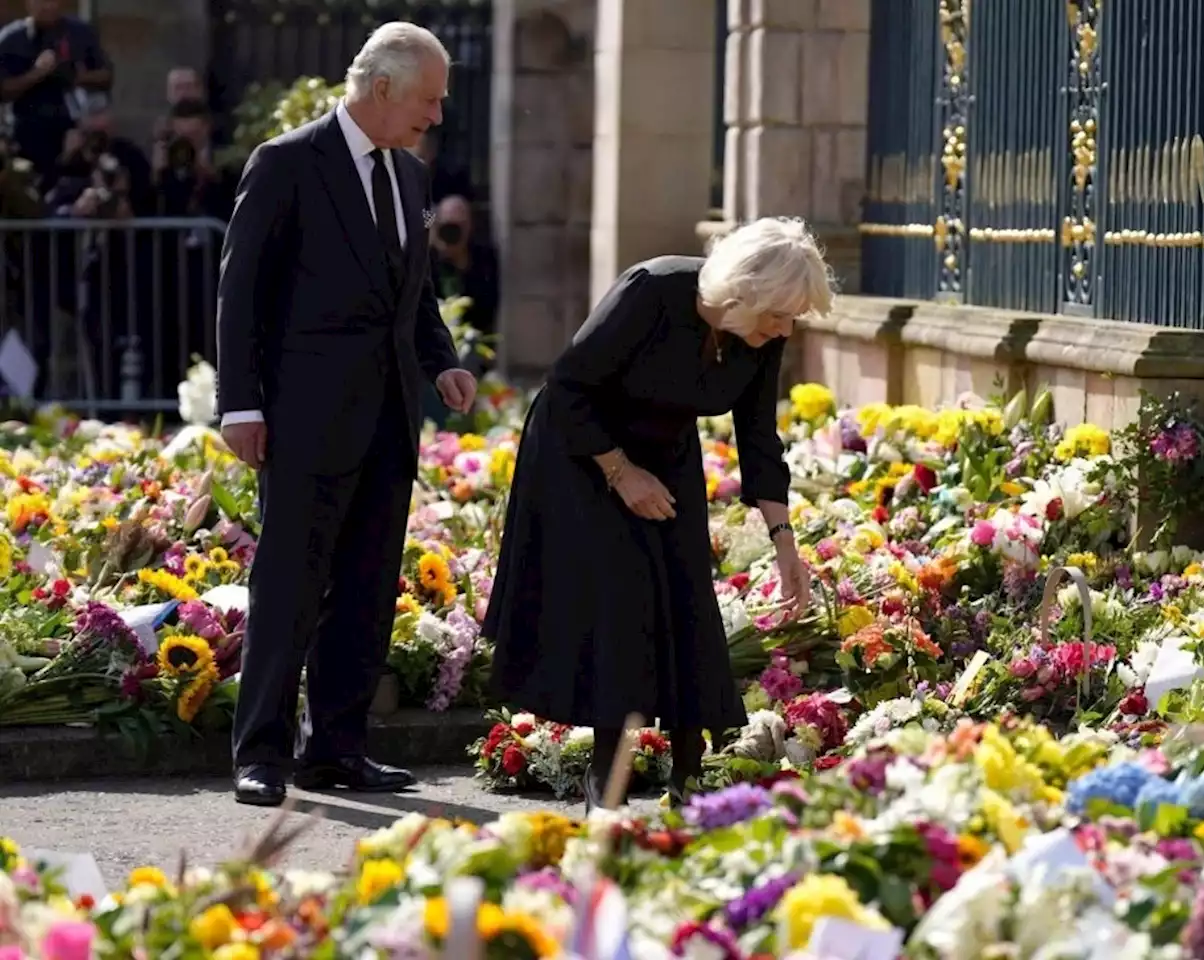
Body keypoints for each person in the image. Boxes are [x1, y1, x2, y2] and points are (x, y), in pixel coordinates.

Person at [483, 217, 832, 810]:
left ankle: (689, 777)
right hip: (583, 449)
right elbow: (568, 386)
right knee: (623, 597)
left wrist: (785, 544)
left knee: (687, 591)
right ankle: (606, 782)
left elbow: (757, 436)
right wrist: (620, 472)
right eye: (781, 315)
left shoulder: (763, 335)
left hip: (665, 454)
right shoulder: (651, 290)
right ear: (744, 297)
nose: (786, 329)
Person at [216, 22, 478, 807]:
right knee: (290, 587)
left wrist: (444, 360)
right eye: (429, 100)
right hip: (302, 419)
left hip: (389, 417)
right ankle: (259, 752)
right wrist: (239, 404)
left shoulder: (409, 177)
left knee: (366, 592)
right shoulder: (287, 163)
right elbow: (240, 293)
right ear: (384, 87)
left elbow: (414, 294)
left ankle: (336, 750)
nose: (436, 116)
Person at [0, 0, 112, 188]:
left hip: (73, 134)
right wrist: (38, 73)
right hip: (26, 135)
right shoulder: (11, 39)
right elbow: (3, 90)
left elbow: (106, 76)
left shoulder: (80, 33)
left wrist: (77, 76)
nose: (47, 6)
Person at [430, 194, 499, 369]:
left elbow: (488, 305)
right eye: (446, 226)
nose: (451, 233)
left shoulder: (482, 258)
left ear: (468, 226)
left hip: (473, 346)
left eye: (457, 226)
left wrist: (462, 262)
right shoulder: (427, 258)